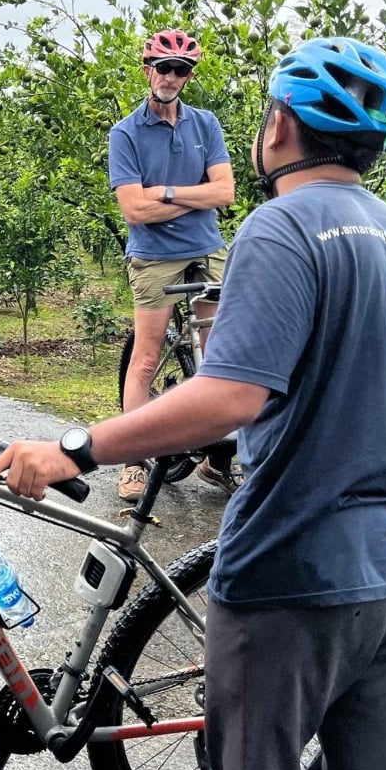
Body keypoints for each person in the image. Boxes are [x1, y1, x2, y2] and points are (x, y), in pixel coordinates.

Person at [0, 38, 386, 770]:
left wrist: (75, 448)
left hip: (297, 572)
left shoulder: (281, 230)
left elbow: (229, 396)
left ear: (278, 127)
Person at [109, 28, 237, 501]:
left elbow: (225, 192)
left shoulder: (206, 124)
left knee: (220, 356)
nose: (170, 76)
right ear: (148, 71)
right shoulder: (125, 133)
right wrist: (194, 199)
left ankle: (216, 460)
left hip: (206, 248)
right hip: (154, 257)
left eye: (180, 70)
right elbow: (133, 211)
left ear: (188, 77)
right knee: (145, 358)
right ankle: (133, 462)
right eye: (163, 67)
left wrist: (163, 192)